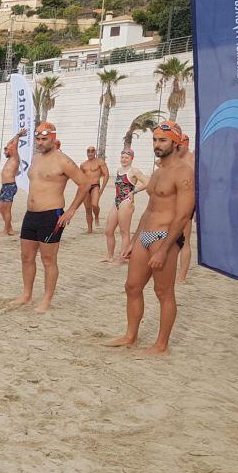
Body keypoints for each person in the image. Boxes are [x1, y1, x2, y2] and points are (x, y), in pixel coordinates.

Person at [106, 121, 195, 354]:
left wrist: (164, 249)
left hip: (165, 236)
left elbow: (184, 214)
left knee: (163, 292)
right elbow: (149, 209)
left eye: (163, 140)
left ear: (175, 143)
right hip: (145, 236)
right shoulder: (157, 172)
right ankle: (130, 336)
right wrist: (134, 241)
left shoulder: (184, 172)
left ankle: (161, 344)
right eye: (155, 140)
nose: (157, 144)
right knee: (132, 286)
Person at [9, 122, 91, 312]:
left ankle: (46, 299)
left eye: (44, 139)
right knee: (26, 256)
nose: (40, 142)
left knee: (48, 259)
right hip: (31, 214)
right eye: (37, 138)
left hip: (51, 215)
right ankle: (27, 295)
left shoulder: (63, 161)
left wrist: (70, 211)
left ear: (53, 139)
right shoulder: (36, 158)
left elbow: (85, 184)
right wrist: (18, 136)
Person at [103, 149, 149, 264]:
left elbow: (147, 182)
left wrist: (134, 192)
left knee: (124, 232)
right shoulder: (119, 170)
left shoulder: (134, 171)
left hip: (126, 202)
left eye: (126, 157)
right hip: (117, 201)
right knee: (108, 231)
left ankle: (123, 258)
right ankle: (110, 256)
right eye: (122, 157)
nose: (124, 159)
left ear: (131, 158)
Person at [0, 129, 26, 235]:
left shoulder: (15, 158)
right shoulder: (9, 160)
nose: (4, 151)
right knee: (1, 208)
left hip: (10, 186)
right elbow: (9, 144)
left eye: (6, 150)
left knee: (7, 209)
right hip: (4, 186)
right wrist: (16, 135)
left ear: (11, 150)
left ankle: (7, 230)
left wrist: (18, 135)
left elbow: (12, 145)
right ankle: (9, 227)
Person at [79, 145, 111, 233]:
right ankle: (90, 229)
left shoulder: (100, 162)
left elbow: (106, 175)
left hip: (95, 185)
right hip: (86, 187)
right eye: (88, 151)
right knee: (88, 209)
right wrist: (80, 190)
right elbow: (80, 178)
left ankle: (96, 216)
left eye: (92, 151)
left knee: (94, 204)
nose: (90, 153)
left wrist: (102, 189)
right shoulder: (83, 165)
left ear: (95, 152)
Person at [177, 133, 196, 282]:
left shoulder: (194, 159)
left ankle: (182, 275)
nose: (177, 147)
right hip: (172, 202)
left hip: (187, 202)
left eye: (179, 144)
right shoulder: (174, 158)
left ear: (186, 143)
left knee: (185, 239)